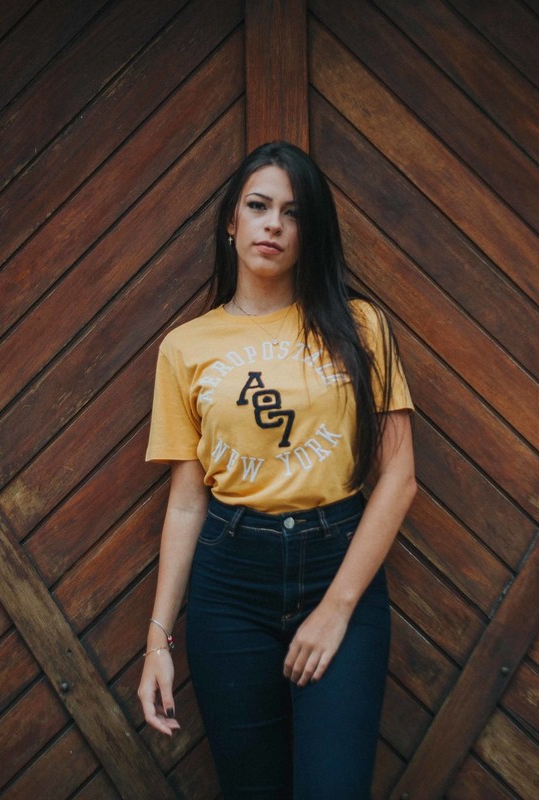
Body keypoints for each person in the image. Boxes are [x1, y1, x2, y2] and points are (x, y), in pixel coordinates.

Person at [137, 140, 415, 799]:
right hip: (229, 587)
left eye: (292, 213)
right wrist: (157, 641)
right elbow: (185, 501)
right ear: (230, 222)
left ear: (310, 231)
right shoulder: (186, 348)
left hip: (337, 567)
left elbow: (399, 478)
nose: (272, 224)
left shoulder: (360, 326)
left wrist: (336, 609)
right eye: (258, 207)